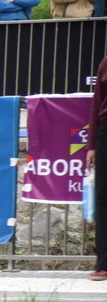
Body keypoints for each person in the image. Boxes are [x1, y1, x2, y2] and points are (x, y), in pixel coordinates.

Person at [88, 53, 107, 281]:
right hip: (105, 133)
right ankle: (103, 262)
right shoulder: (106, 62)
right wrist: (91, 145)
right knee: (103, 199)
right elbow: (96, 104)